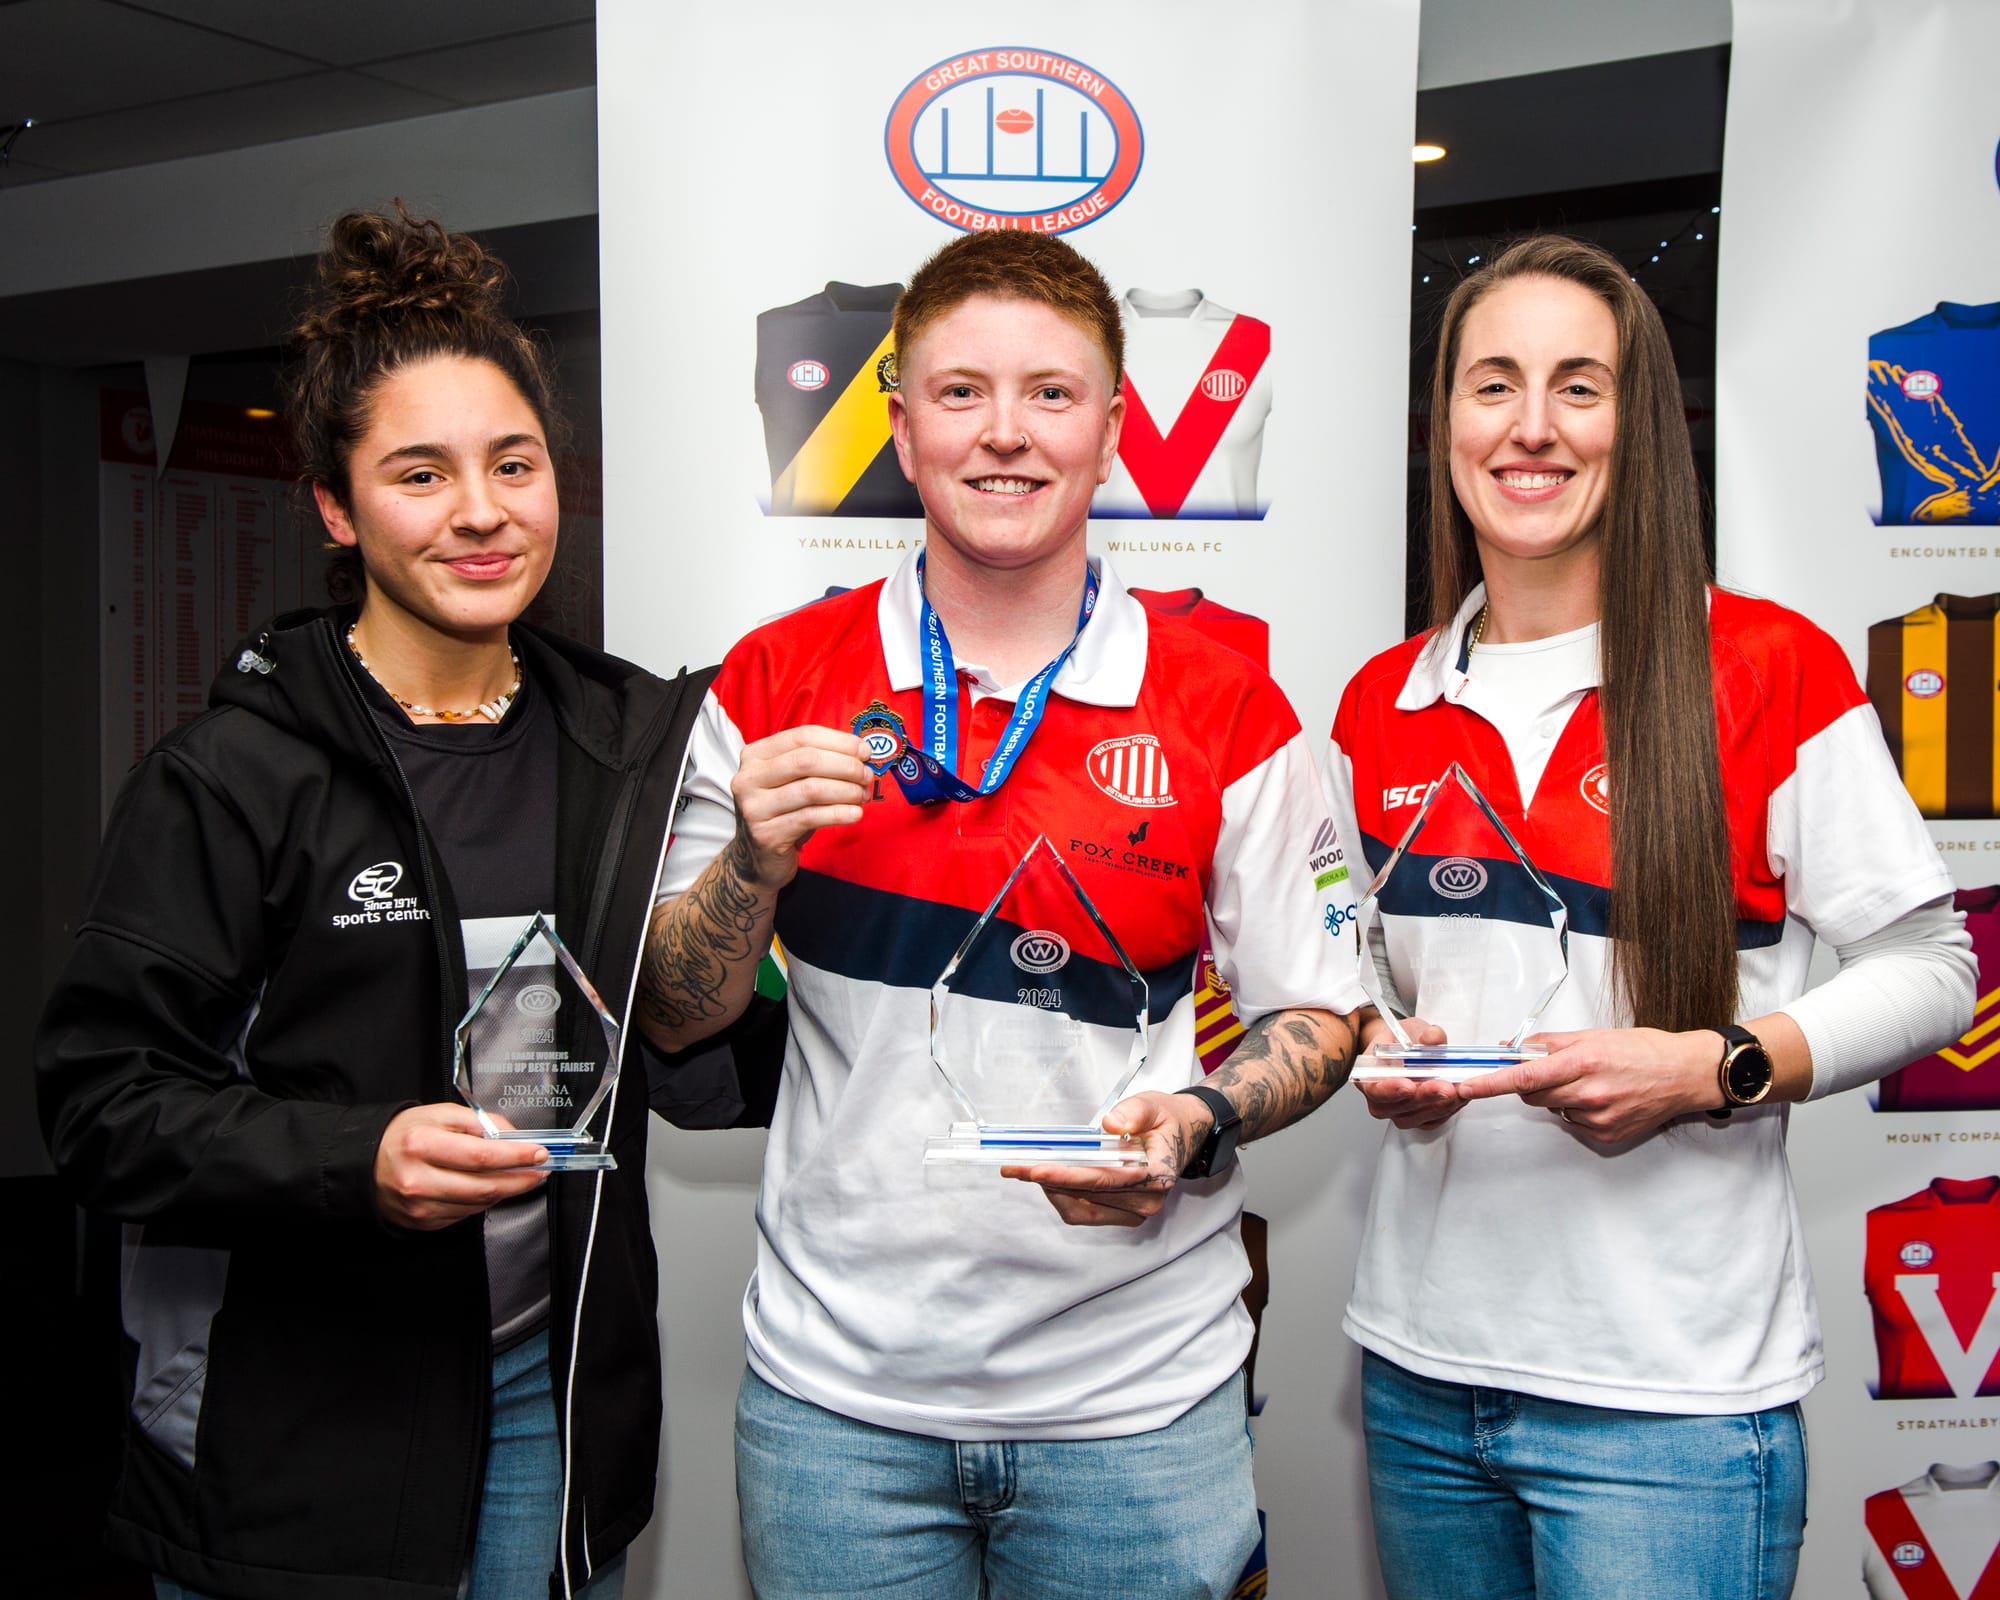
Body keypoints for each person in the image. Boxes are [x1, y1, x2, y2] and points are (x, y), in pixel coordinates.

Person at [637, 229, 1363, 1600]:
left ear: (1111, 429)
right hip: (836, 1404)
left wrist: (1202, 1120)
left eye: (1051, 392)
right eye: (961, 393)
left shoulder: (1230, 703)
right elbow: (674, 1014)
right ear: (901, 431)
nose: (1006, 435)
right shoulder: (776, 676)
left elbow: (1320, 1014)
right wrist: (750, 865)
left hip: (1137, 1402)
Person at [36, 207, 710, 1600]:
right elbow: (101, 1105)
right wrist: (362, 1158)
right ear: (339, 509)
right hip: (301, 1417)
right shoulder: (229, 777)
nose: (481, 511)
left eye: (514, 463)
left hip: (542, 1384)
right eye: (421, 473)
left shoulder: (628, 743)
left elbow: (692, 1050)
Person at [1328, 233, 1978, 1600]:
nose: (1531, 427)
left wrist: (1713, 1066)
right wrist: (1389, 1047)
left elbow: (1935, 969)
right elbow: (1371, 975)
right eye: (1492, 383)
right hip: (1419, 1378)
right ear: (1444, 420)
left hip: (1670, 1407)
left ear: (1641, 426)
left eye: (1581, 386)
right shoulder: (1378, 700)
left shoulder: (1765, 669)